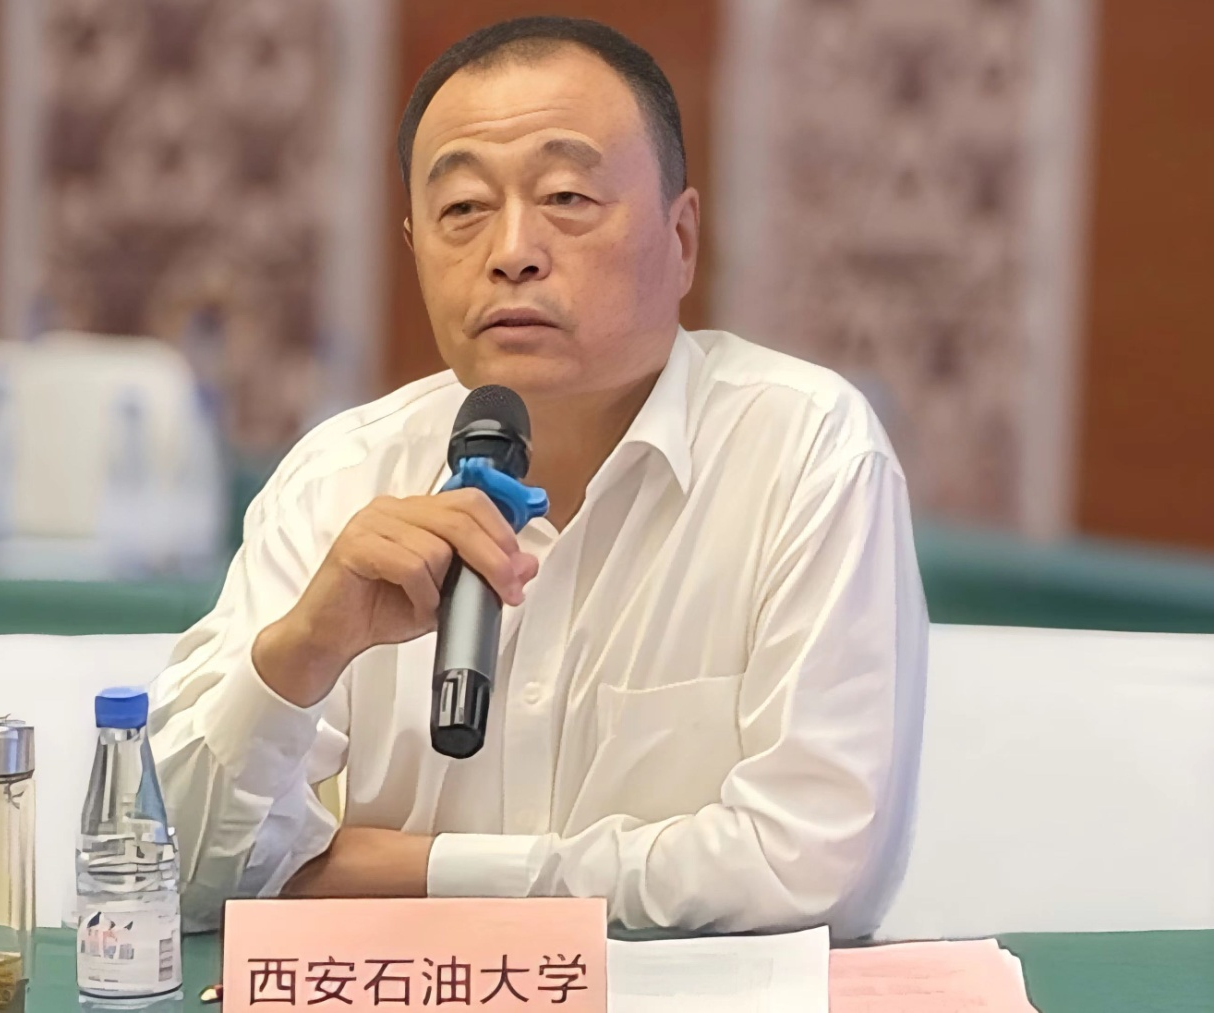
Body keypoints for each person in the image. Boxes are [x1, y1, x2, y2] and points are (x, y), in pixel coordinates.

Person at [149, 15, 927, 940]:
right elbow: (169, 878)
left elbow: (814, 870)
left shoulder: (805, 451)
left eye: (566, 196)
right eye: (463, 210)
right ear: (416, 248)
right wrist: (305, 649)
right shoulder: (338, 477)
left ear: (681, 238)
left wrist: (416, 867)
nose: (511, 250)